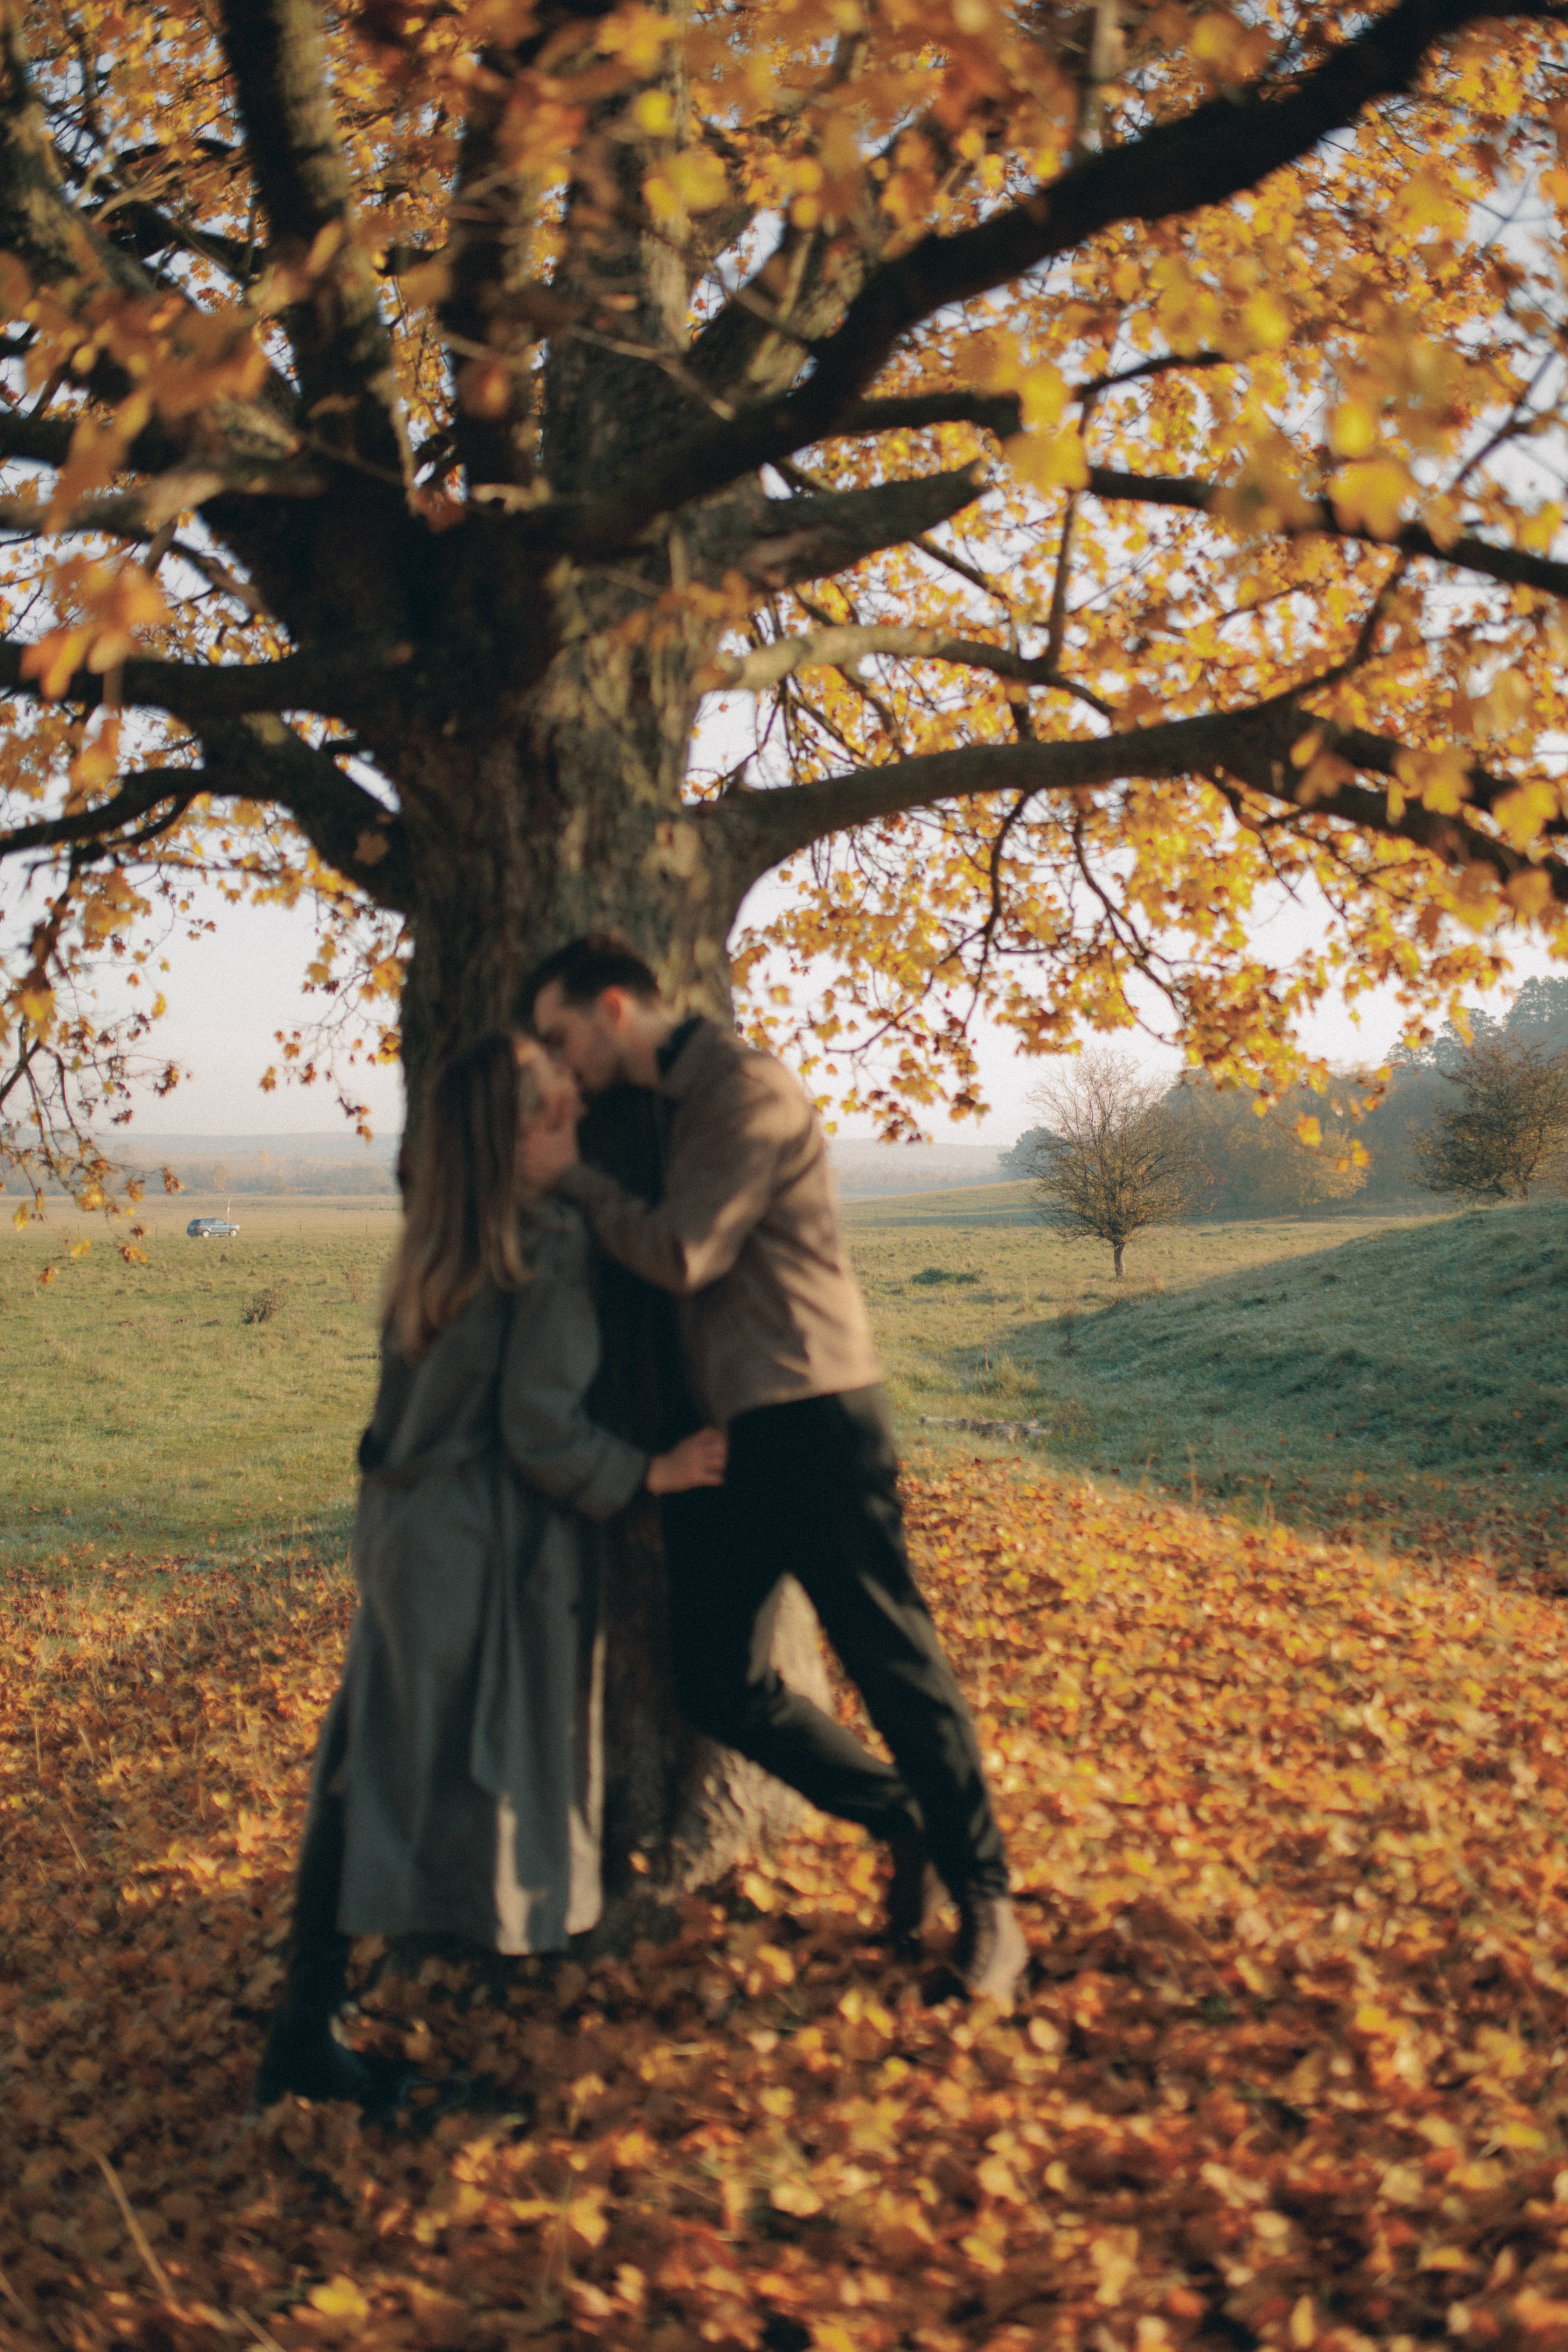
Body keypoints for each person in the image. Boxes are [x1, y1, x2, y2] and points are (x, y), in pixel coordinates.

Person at [527, 937, 1028, 2008]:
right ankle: (905, 1818)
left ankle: (991, 1904)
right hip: (725, 1437)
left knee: (892, 1659)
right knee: (716, 1679)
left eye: (563, 1038)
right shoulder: (663, 1108)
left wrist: (566, 1175)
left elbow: (685, 1253)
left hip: (813, 1414)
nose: (559, 1065)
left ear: (614, 1007)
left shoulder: (743, 1089)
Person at [257, 1033, 726, 2110]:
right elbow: (542, 1431)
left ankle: (308, 2013)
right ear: (509, 1143)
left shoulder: (437, 1242)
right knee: (405, 1767)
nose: (575, 1133)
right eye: (555, 1119)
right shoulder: (547, 1247)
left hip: (401, 1532)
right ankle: (310, 2031)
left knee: (367, 1757)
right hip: (471, 1547)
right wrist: (650, 1469)